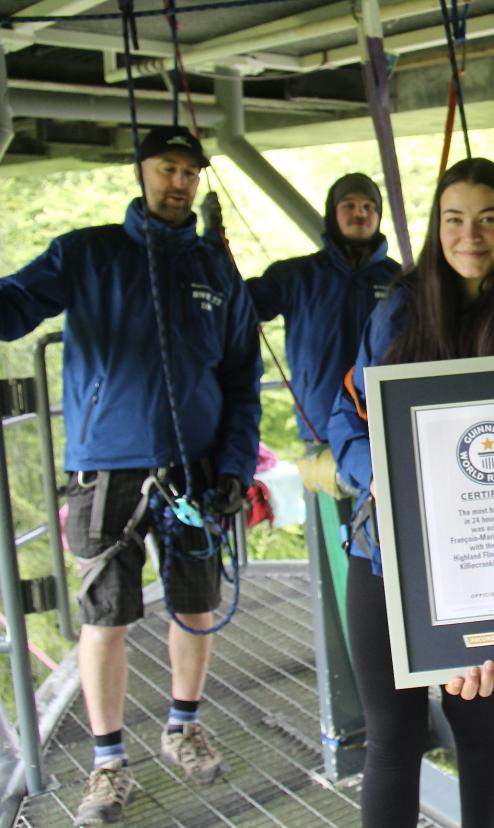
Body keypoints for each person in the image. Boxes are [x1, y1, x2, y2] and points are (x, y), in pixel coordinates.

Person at [0, 125, 261, 825]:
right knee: (104, 618)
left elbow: (242, 379)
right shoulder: (88, 254)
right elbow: (13, 307)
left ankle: (183, 724)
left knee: (196, 605)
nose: (178, 182)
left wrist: (235, 467)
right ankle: (108, 761)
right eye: (166, 168)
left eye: (189, 172)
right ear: (141, 171)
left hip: (197, 469)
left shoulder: (215, 270)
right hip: (107, 471)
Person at [327, 157, 494, 827]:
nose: (471, 235)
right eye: (455, 219)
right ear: (437, 227)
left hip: (486, 566)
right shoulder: (398, 310)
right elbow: (344, 414)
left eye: (489, 219)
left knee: (479, 719)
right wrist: (367, 469)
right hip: (388, 553)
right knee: (393, 733)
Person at [246, 173, 400, 490]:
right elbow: (236, 309)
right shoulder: (296, 276)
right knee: (336, 537)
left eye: (369, 206)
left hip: (387, 429)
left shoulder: (401, 281)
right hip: (321, 437)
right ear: (333, 213)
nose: (360, 213)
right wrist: (214, 249)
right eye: (350, 205)